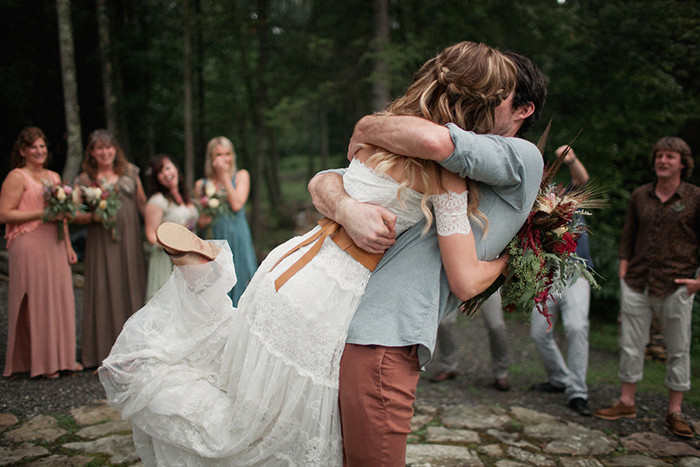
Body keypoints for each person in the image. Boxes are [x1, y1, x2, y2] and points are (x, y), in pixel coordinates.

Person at [98, 41, 519, 466]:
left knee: (242, 401)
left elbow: (330, 177)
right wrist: (510, 257)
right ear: (478, 104)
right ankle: (204, 284)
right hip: (331, 299)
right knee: (275, 436)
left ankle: (204, 281)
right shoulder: (448, 169)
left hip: (291, 265)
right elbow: (463, 275)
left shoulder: (387, 129)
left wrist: (362, 141)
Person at [308, 50, 547, 465]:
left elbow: (439, 141)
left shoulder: (523, 157)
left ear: (524, 109)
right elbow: (333, 179)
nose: (485, 100)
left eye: (498, 95)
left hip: (383, 335)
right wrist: (348, 207)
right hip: (365, 330)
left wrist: (366, 125)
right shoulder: (452, 168)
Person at [594, 136, 699, 439]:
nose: (663, 161)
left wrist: (697, 282)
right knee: (630, 344)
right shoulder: (641, 195)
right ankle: (626, 401)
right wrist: (624, 268)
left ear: (683, 163)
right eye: (659, 156)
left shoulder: (695, 197)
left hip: (678, 284)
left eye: (670, 156)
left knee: (678, 349)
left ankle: (675, 411)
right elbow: (628, 234)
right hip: (638, 281)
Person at [0, 127, 81, 379]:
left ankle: (62, 358)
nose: (39, 151)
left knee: (59, 298)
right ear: (23, 151)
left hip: (54, 243)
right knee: (35, 301)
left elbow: (61, 217)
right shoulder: (17, 176)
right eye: (33, 147)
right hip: (28, 243)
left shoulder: (54, 177)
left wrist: (68, 245)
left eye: (42, 146)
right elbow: (4, 213)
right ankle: (38, 363)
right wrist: (41, 214)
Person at [73, 129, 147, 369]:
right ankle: (101, 349)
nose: (105, 152)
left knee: (130, 285)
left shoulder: (131, 172)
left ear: (116, 150)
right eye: (99, 148)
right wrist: (94, 217)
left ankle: (134, 349)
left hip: (129, 240)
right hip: (101, 242)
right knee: (104, 286)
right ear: (92, 153)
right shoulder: (85, 180)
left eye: (109, 147)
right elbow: (72, 214)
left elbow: (143, 205)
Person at [529, 145, 594, 416]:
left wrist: (571, 159)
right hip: (545, 273)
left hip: (575, 270)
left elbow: (583, 180)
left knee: (577, 328)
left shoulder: (568, 195)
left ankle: (578, 391)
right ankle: (559, 378)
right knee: (538, 333)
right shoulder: (530, 200)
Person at [194, 136, 258, 306]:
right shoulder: (201, 185)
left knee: (243, 287)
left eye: (227, 154)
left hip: (237, 239)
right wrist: (201, 222)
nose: (224, 159)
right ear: (211, 158)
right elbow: (198, 223)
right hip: (214, 243)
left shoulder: (241, 176)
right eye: (219, 155)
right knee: (216, 294)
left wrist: (223, 176)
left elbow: (237, 204)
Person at [429, 291, 511, 392]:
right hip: (457, 283)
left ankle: (501, 373)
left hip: (490, 282)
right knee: (444, 323)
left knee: (497, 327)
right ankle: (448, 367)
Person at [144, 154, 199, 300]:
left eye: (168, 168)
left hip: (190, 257)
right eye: (160, 172)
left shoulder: (186, 197)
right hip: (168, 259)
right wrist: (173, 246)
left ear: (175, 168)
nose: (166, 174)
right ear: (156, 178)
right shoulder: (157, 201)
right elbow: (150, 235)